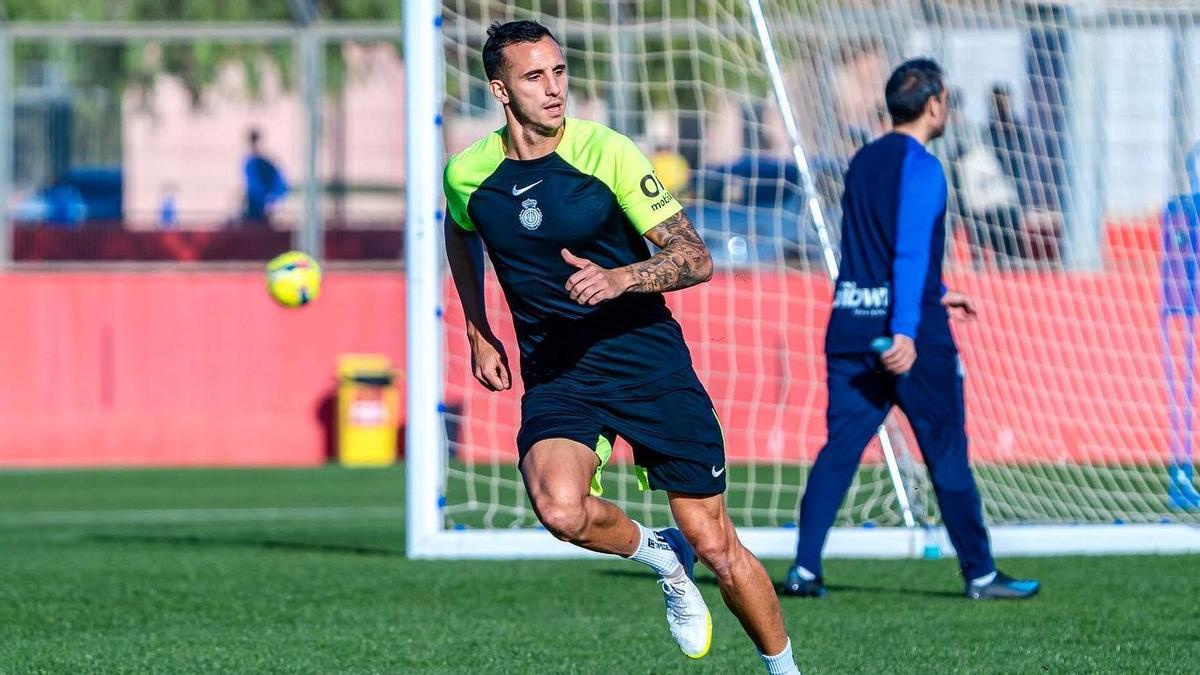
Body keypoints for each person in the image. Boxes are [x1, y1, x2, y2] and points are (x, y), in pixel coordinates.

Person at [443, 20, 800, 673]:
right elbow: (459, 228)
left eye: (559, 72)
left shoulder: (608, 152)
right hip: (559, 372)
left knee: (716, 544)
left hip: (646, 360)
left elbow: (695, 257)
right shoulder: (469, 173)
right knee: (557, 507)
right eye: (533, 76)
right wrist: (476, 325)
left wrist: (622, 278)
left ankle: (786, 668)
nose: (553, 89)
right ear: (500, 89)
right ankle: (660, 555)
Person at [780, 59, 1040, 601]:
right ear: (935, 104)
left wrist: (939, 292)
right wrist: (906, 329)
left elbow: (869, 253)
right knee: (947, 454)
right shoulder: (923, 167)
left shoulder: (862, 162)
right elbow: (908, 251)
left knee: (839, 451)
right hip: (909, 338)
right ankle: (982, 575)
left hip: (851, 324)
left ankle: (804, 570)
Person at [242, 128, 288, 227]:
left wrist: (271, 203)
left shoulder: (264, 164)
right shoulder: (249, 163)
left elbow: (280, 186)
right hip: (253, 210)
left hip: (261, 210)